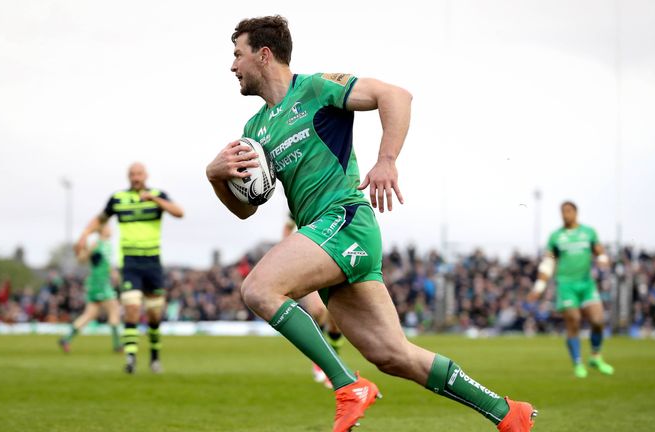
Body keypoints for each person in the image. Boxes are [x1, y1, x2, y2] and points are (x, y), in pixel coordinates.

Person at [206, 15, 535, 432]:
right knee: (394, 355)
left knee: (258, 288)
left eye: (238, 54)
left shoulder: (316, 87)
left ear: (264, 55)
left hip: (343, 221)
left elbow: (395, 95)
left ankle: (346, 385)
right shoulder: (255, 130)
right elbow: (245, 209)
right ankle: (508, 413)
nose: (232, 66)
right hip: (326, 241)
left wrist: (387, 160)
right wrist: (216, 176)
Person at [75, 162, 184, 374]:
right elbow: (99, 219)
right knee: (132, 308)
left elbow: (179, 212)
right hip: (130, 263)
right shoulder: (118, 199)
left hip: (152, 263)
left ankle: (154, 358)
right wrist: (84, 235)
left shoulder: (157, 195)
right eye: (132, 174)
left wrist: (155, 200)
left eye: (139, 174)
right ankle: (131, 359)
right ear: (128, 176)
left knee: (154, 314)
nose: (136, 177)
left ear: (146, 175)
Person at [528, 201, 614, 378]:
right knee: (573, 320)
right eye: (562, 211)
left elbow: (598, 249)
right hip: (566, 285)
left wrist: (603, 257)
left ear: (576, 212)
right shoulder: (556, 237)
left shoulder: (588, 233)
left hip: (586, 284)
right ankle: (577, 363)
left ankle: (595, 356)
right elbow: (548, 261)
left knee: (598, 320)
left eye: (568, 211)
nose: (565, 214)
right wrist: (539, 286)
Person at [283, 214, 346, 388]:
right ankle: (321, 361)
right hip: (305, 263)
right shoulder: (298, 203)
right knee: (318, 311)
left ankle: (334, 357)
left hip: (332, 259)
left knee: (335, 321)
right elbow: (288, 227)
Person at [59, 223, 121, 353]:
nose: (111, 229)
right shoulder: (97, 244)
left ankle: (66, 339)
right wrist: (83, 249)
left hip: (102, 283)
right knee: (114, 309)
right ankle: (117, 345)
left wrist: (114, 274)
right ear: (101, 230)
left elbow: (106, 265)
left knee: (89, 315)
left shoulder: (108, 245)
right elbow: (82, 259)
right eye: (108, 227)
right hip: (98, 284)